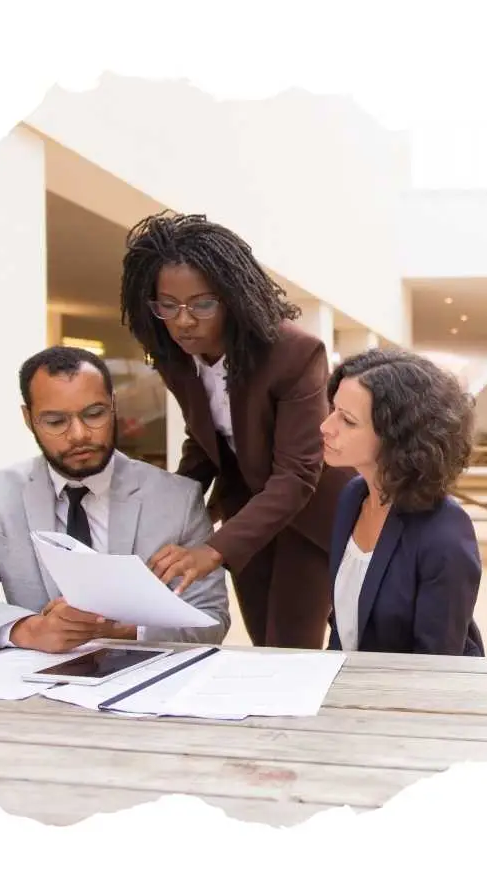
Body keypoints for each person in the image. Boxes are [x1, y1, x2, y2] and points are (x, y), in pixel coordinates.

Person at [119, 211, 354, 649]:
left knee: (290, 646)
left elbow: (298, 475)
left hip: (308, 512)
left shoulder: (294, 354)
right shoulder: (174, 357)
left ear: (232, 297)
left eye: (201, 304)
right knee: (264, 639)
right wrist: (178, 511)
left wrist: (211, 550)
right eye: (167, 305)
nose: (183, 320)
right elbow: (206, 441)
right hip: (245, 509)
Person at [0, 346, 230, 657]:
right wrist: (28, 629)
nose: (79, 435)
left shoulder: (177, 498)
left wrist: (126, 630)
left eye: (94, 414)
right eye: (56, 422)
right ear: (29, 419)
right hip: (28, 691)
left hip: (144, 689)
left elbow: (211, 619)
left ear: (113, 405)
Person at [320, 348, 485, 656]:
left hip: (410, 694)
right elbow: (345, 628)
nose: (326, 427)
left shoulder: (445, 533)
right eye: (333, 409)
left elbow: (436, 666)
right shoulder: (353, 497)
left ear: (398, 437)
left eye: (348, 420)